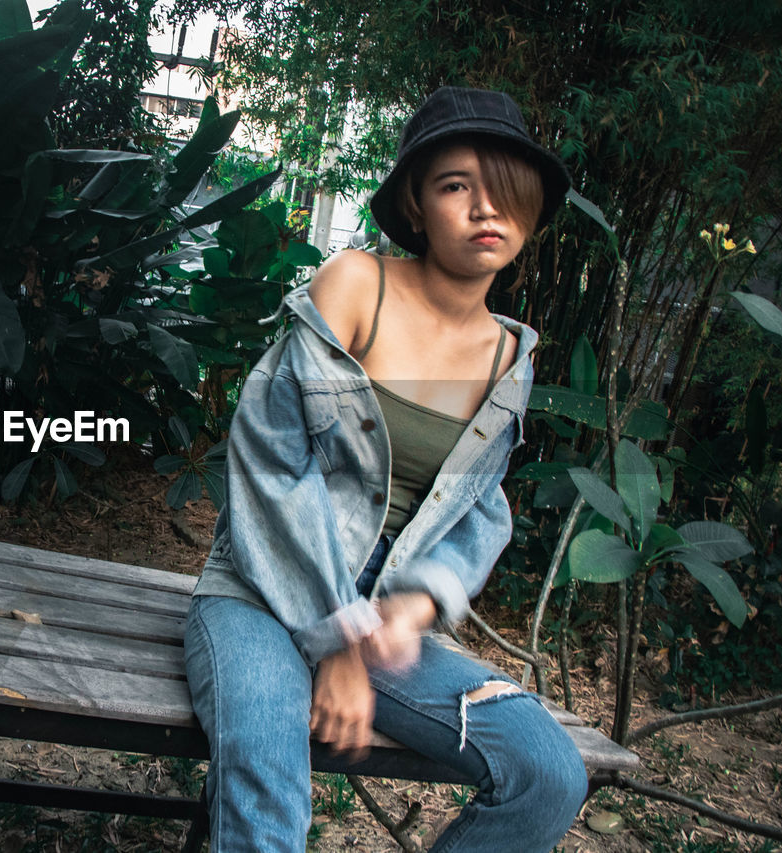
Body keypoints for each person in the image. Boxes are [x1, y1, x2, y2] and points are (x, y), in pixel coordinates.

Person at [183, 86, 586, 852]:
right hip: (263, 589)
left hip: (384, 619)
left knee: (547, 771)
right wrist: (336, 638)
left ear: (531, 209)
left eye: (504, 189)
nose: (483, 208)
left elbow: (478, 510)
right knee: (270, 788)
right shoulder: (356, 285)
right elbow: (269, 462)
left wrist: (416, 605)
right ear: (415, 200)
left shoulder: (511, 356)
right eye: (455, 185)